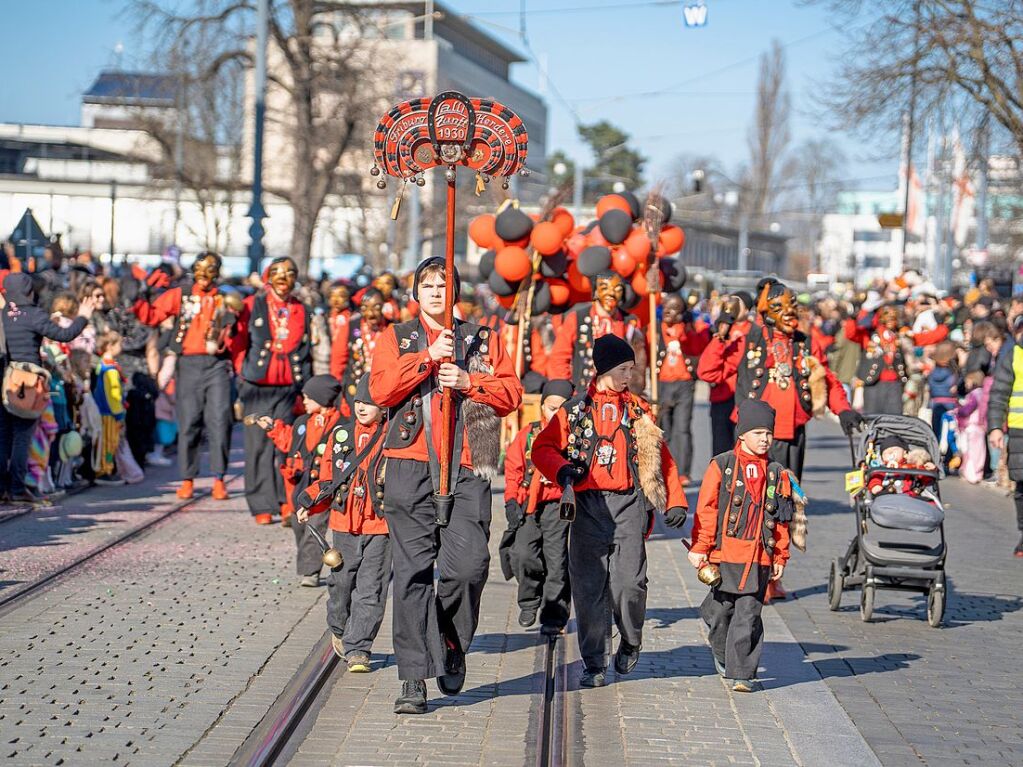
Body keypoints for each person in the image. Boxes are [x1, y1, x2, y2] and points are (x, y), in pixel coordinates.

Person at [369, 256, 522, 715]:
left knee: (469, 567)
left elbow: (512, 395)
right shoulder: (395, 337)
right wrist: (426, 360)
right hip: (410, 464)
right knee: (413, 573)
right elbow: (380, 392)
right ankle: (413, 676)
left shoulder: (483, 338)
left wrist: (470, 381)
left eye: (444, 284)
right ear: (416, 293)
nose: (437, 292)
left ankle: (451, 643)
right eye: (428, 285)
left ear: (456, 290)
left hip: (468, 465)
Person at [531, 334, 688, 688]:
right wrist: (561, 470)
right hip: (588, 507)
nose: (628, 376)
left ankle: (631, 638)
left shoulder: (639, 411)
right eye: (622, 369)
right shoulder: (573, 411)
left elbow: (663, 458)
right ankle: (594, 662)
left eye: (631, 369)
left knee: (630, 583)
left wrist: (675, 500)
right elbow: (542, 449)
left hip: (628, 504)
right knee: (588, 589)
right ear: (603, 370)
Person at [688, 400, 794, 692]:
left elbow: (783, 518)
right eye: (758, 432)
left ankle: (742, 673)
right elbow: (706, 509)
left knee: (749, 614)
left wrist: (781, 555)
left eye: (768, 433)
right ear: (742, 434)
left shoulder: (777, 472)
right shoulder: (721, 465)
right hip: (725, 555)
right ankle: (721, 650)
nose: (765, 439)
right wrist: (701, 547)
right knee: (721, 612)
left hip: (760, 556)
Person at [297, 374, 391, 674]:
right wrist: (309, 502)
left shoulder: (394, 436)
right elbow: (328, 479)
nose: (362, 407)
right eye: (359, 401)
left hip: (380, 524)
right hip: (344, 522)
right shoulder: (341, 435)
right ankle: (338, 626)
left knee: (371, 588)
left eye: (370, 402)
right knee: (340, 583)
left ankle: (359, 647)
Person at [133, 253, 236, 501]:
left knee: (220, 420)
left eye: (211, 269)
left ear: (218, 272)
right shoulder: (181, 294)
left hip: (217, 365)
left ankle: (219, 478)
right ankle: (188, 479)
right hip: (188, 363)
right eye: (200, 268)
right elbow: (151, 316)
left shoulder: (226, 298)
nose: (205, 274)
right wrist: (143, 290)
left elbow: (238, 332)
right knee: (189, 422)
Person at [0, 273, 95, 502]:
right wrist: (83, 317)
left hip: (4, 381)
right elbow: (64, 335)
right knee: (23, 436)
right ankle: (17, 488)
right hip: (29, 383)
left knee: (3, 437)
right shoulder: (33, 314)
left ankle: (2, 488)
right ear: (29, 291)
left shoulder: (3, 315)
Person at [232, 257, 313, 525]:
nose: (283, 277)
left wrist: (306, 390)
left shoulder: (302, 308)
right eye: (277, 272)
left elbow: (307, 350)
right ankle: (261, 504)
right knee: (257, 446)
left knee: (286, 446)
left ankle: (285, 501)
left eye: (290, 272)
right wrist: (242, 375)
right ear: (268, 276)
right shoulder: (252, 304)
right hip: (257, 385)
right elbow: (238, 342)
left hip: (290, 385)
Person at [253, 374, 343, 585]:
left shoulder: (340, 425)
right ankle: (307, 563)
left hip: (322, 487)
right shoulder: (302, 423)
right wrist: (271, 427)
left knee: (314, 526)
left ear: (321, 399)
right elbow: (287, 440)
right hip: (298, 485)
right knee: (299, 526)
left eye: (308, 398)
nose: (304, 402)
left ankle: (310, 572)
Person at [502, 379, 574, 634]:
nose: (554, 413)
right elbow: (513, 469)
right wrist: (511, 500)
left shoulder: (574, 439)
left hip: (558, 506)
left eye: (560, 409)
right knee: (523, 553)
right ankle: (530, 600)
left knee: (557, 560)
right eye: (550, 407)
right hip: (529, 505)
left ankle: (554, 615)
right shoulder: (529, 434)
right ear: (542, 407)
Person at [846, 303, 948, 415]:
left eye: (893, 318)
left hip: (895, 383)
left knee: (894, 417)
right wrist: (853, 316)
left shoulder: (901, 335)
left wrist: (942, 325)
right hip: (873, 381)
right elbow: (851, 334)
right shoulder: (871, 335)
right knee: (873, 417)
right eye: (887, 318)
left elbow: (926, 338)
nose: (890, 321)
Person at [548, 271, 644, 389]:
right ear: (595, 292)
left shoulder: (630, 322)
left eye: (617, 289)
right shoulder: (576, 318)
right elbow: (559, 359)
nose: (611, 293)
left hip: (620, 396)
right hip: (583, 394)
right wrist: (563, 391)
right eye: (604, 288)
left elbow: (639, 362)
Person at [656, 293, 711, 486]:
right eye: (667, 309)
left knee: (683, 428)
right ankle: (664, 469)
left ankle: (683, 472)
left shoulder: (688, 329)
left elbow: (697, 347)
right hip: (662, 383)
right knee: (664, 428)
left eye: (675, 310)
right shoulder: (656, 329)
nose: (670, 313)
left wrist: (687, 329)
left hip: (685, 383)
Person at [984, 319, 1023, 556]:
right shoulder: (1015, 354)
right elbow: (999, 393)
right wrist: (996, 427)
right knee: (1022, 486)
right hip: (1020, 429)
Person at [698, 292, 752, 457]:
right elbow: (706, 371)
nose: (732, 307)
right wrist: (720, 336)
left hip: (746, 397)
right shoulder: (722, 328)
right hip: (722, 396)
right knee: (722, 451)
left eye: (737, 303)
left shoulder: (754, 332)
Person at [331, 287, 391, 414]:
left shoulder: (392, 328)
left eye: (376, 307)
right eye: (365, 308)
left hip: (384, 392)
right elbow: (338, 361)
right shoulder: (350, 326)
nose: (371, 313)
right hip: (354, 390)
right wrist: (337, 393)